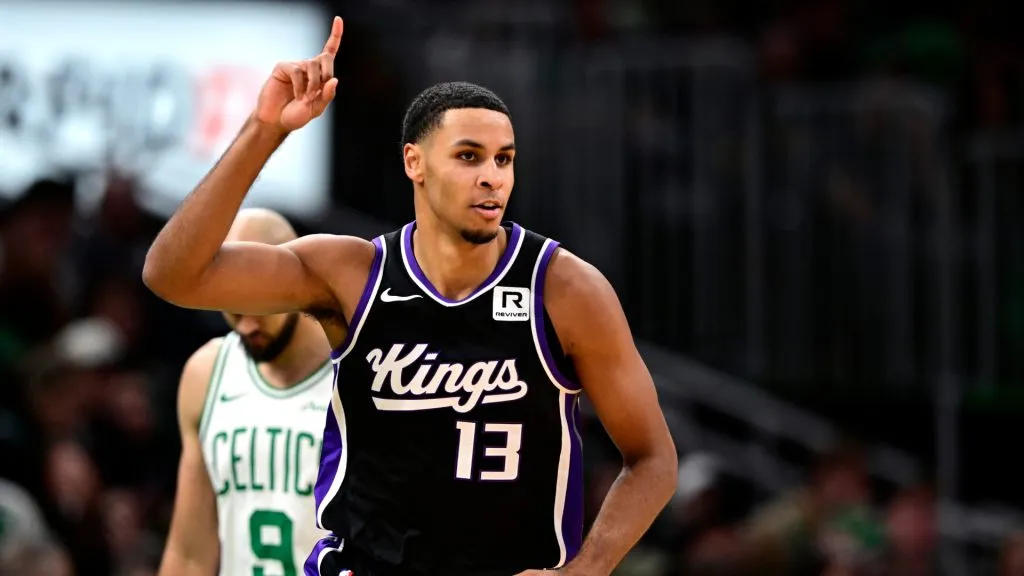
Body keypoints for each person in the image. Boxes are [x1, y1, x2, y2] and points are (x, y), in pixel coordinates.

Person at [143, 16, 678, 576]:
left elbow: (653, 459)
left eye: (505, 158)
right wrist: (264, 129)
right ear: (414, 163)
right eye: (469, 156)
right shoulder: (351, 273)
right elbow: (173, 275)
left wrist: (585, 570)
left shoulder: (565, 288)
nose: (492, 176)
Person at [156, 209, 334, 576]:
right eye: (233, 311)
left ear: (292, 278)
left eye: (256, 305)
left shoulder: (360, 374)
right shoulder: (206, 374)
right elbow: (189, 553)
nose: (247, 323)